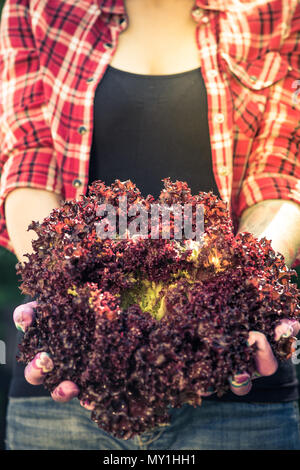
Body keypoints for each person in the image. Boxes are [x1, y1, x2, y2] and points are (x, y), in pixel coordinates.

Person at [0, 0, 300, 450]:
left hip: (235, 393)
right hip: (67, 382)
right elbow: (29, 163)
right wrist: (64, 293)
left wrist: (239, 300)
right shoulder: (39, 8)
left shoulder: (277, 9)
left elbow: (278, 176)